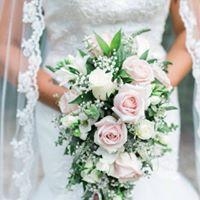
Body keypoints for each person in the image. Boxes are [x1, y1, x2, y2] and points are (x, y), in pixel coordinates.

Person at [0, 0, 199, 199]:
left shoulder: (152, 97)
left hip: (152, 105)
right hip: (62, 106)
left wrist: (151, 93)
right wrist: (72, 102)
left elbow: (191, 31)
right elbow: (6, 46)